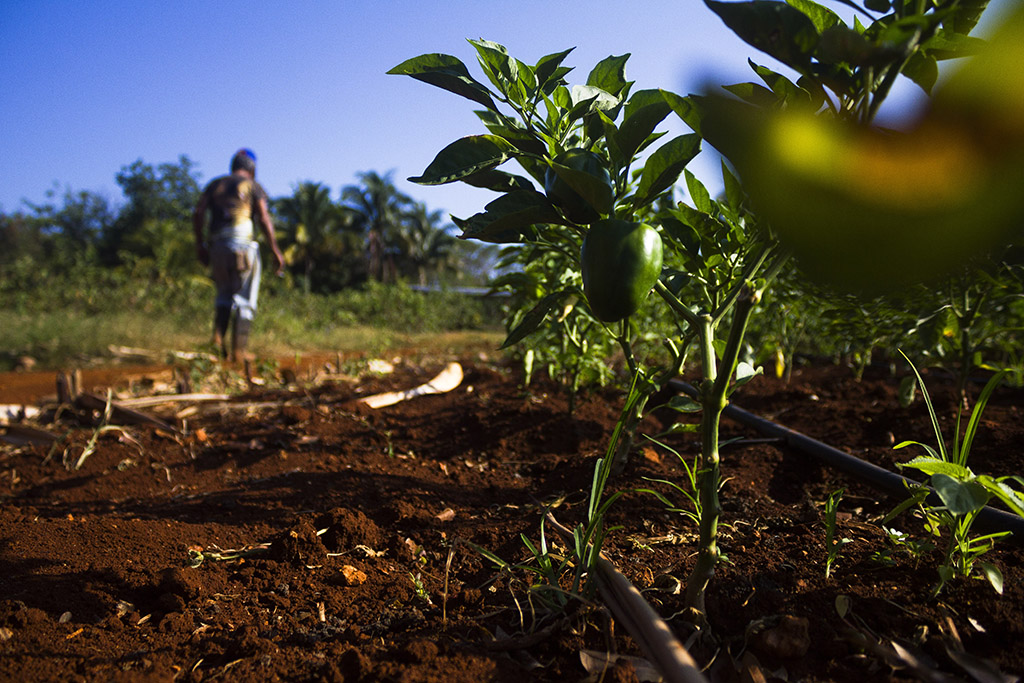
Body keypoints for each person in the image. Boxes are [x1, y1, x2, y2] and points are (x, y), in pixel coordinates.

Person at [193, 148, 285, 362]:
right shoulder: (253, 186)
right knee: (244, 298)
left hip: (217, 247)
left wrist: (200, 245)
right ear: (252, 169)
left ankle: (217, 342)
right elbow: (263, 217)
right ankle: (239, 351)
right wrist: (275, 250)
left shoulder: (216, 185)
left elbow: (198, 212)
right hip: (243, 247)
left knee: (223, 295)